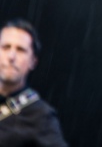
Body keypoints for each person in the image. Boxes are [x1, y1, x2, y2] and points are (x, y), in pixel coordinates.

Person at [0, 18, 68, 147]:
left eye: (21, 50)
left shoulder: (41, 116)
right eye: (6, 47)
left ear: (33, 62)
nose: (11, 56)